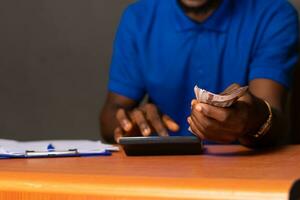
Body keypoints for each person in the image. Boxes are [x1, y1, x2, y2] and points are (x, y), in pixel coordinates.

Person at [100, 0, 299, 148]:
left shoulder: (273, 15)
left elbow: (275, 117)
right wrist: (130, 124)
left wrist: (251, 118)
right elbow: (110, 115)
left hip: (246, 176)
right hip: (162, 174)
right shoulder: (139, 18)